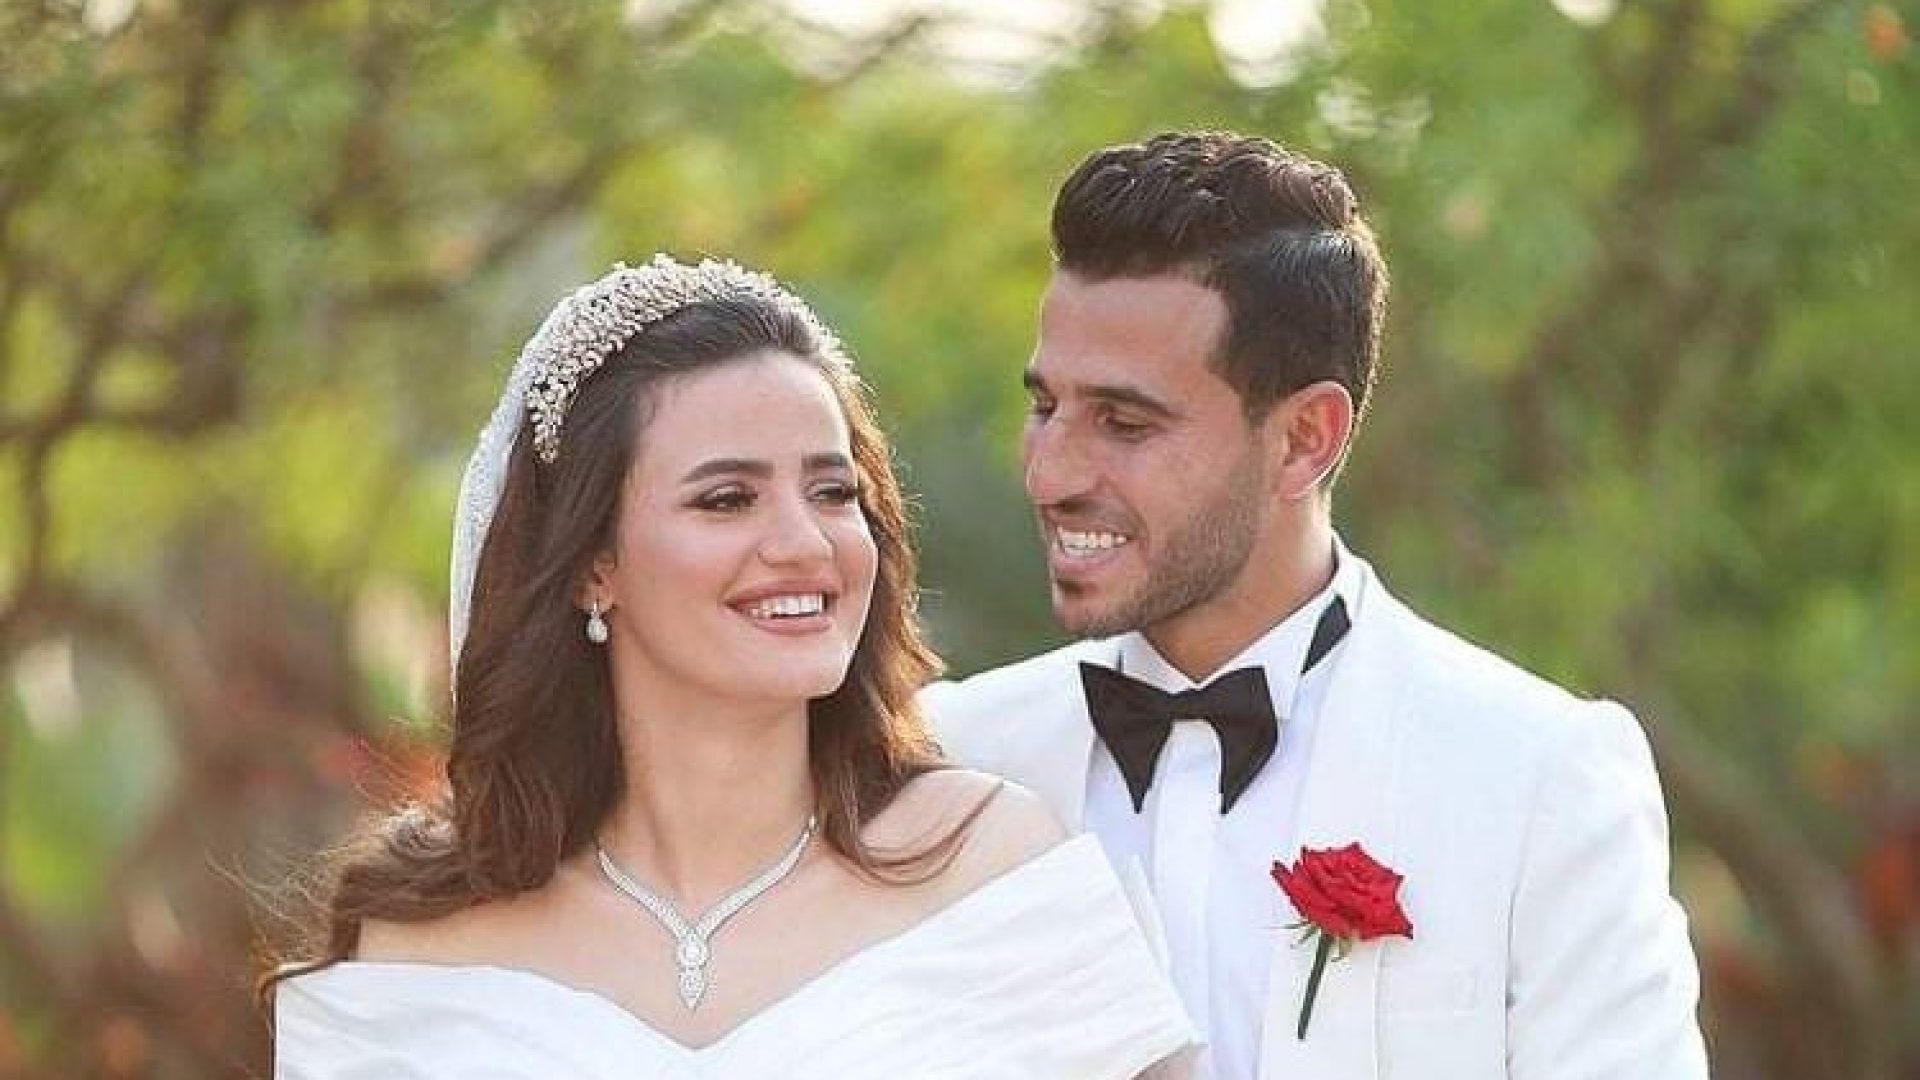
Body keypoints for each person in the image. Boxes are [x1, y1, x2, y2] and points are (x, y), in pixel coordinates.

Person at [266, 256, 1194, 1079]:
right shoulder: (418, 941)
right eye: (726, 499)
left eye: (832, 491)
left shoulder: (990, 866)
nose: (805, 543)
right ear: (594, 566)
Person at [920, 132, 1710, 1080]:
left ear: (1304, 439)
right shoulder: (949, 759)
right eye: (1046, 407)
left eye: (1124, 422)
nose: (1049, 475)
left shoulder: (1540, 776)